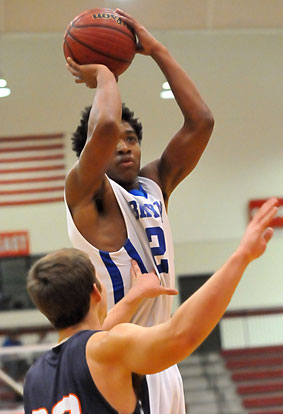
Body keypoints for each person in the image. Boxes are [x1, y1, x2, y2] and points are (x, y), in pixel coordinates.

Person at [64, 9, 214, 413]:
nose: (124, 146)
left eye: (132, 139)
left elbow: (201, 122)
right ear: (90, 155)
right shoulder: (85, 193)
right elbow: (107, 127)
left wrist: (156, 48)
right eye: (115, 144)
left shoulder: (153, 185)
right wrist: (105, 75)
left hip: (163, 358)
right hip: (119, 356)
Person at [24, 198, 278, 414]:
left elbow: (92, 335)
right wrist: (241, 256)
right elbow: (181, 335)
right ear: (95, 291)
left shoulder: (34, 379)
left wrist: (134, 296)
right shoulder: (106, 349)